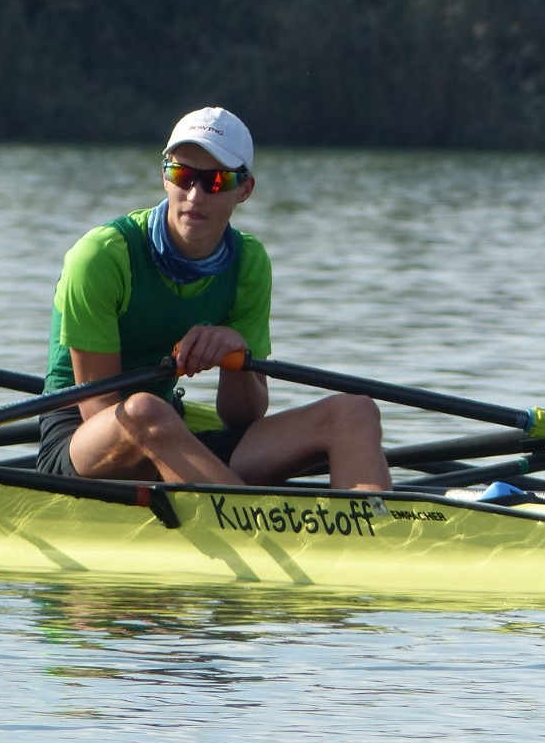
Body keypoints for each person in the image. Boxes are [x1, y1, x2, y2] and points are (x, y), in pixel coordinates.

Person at [35, 107, 391, 491]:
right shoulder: (102, 257)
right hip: (82, 440)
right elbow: (98, 408)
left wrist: (235, 354)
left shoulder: (248, 262)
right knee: (145, 410)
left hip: (170, 435)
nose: (194, 195)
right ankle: (254, 520)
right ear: (165, 176)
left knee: (356, 412)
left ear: (245, 189)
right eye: (182, 175)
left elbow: (244, 416)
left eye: (216, 181)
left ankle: (375, 524)